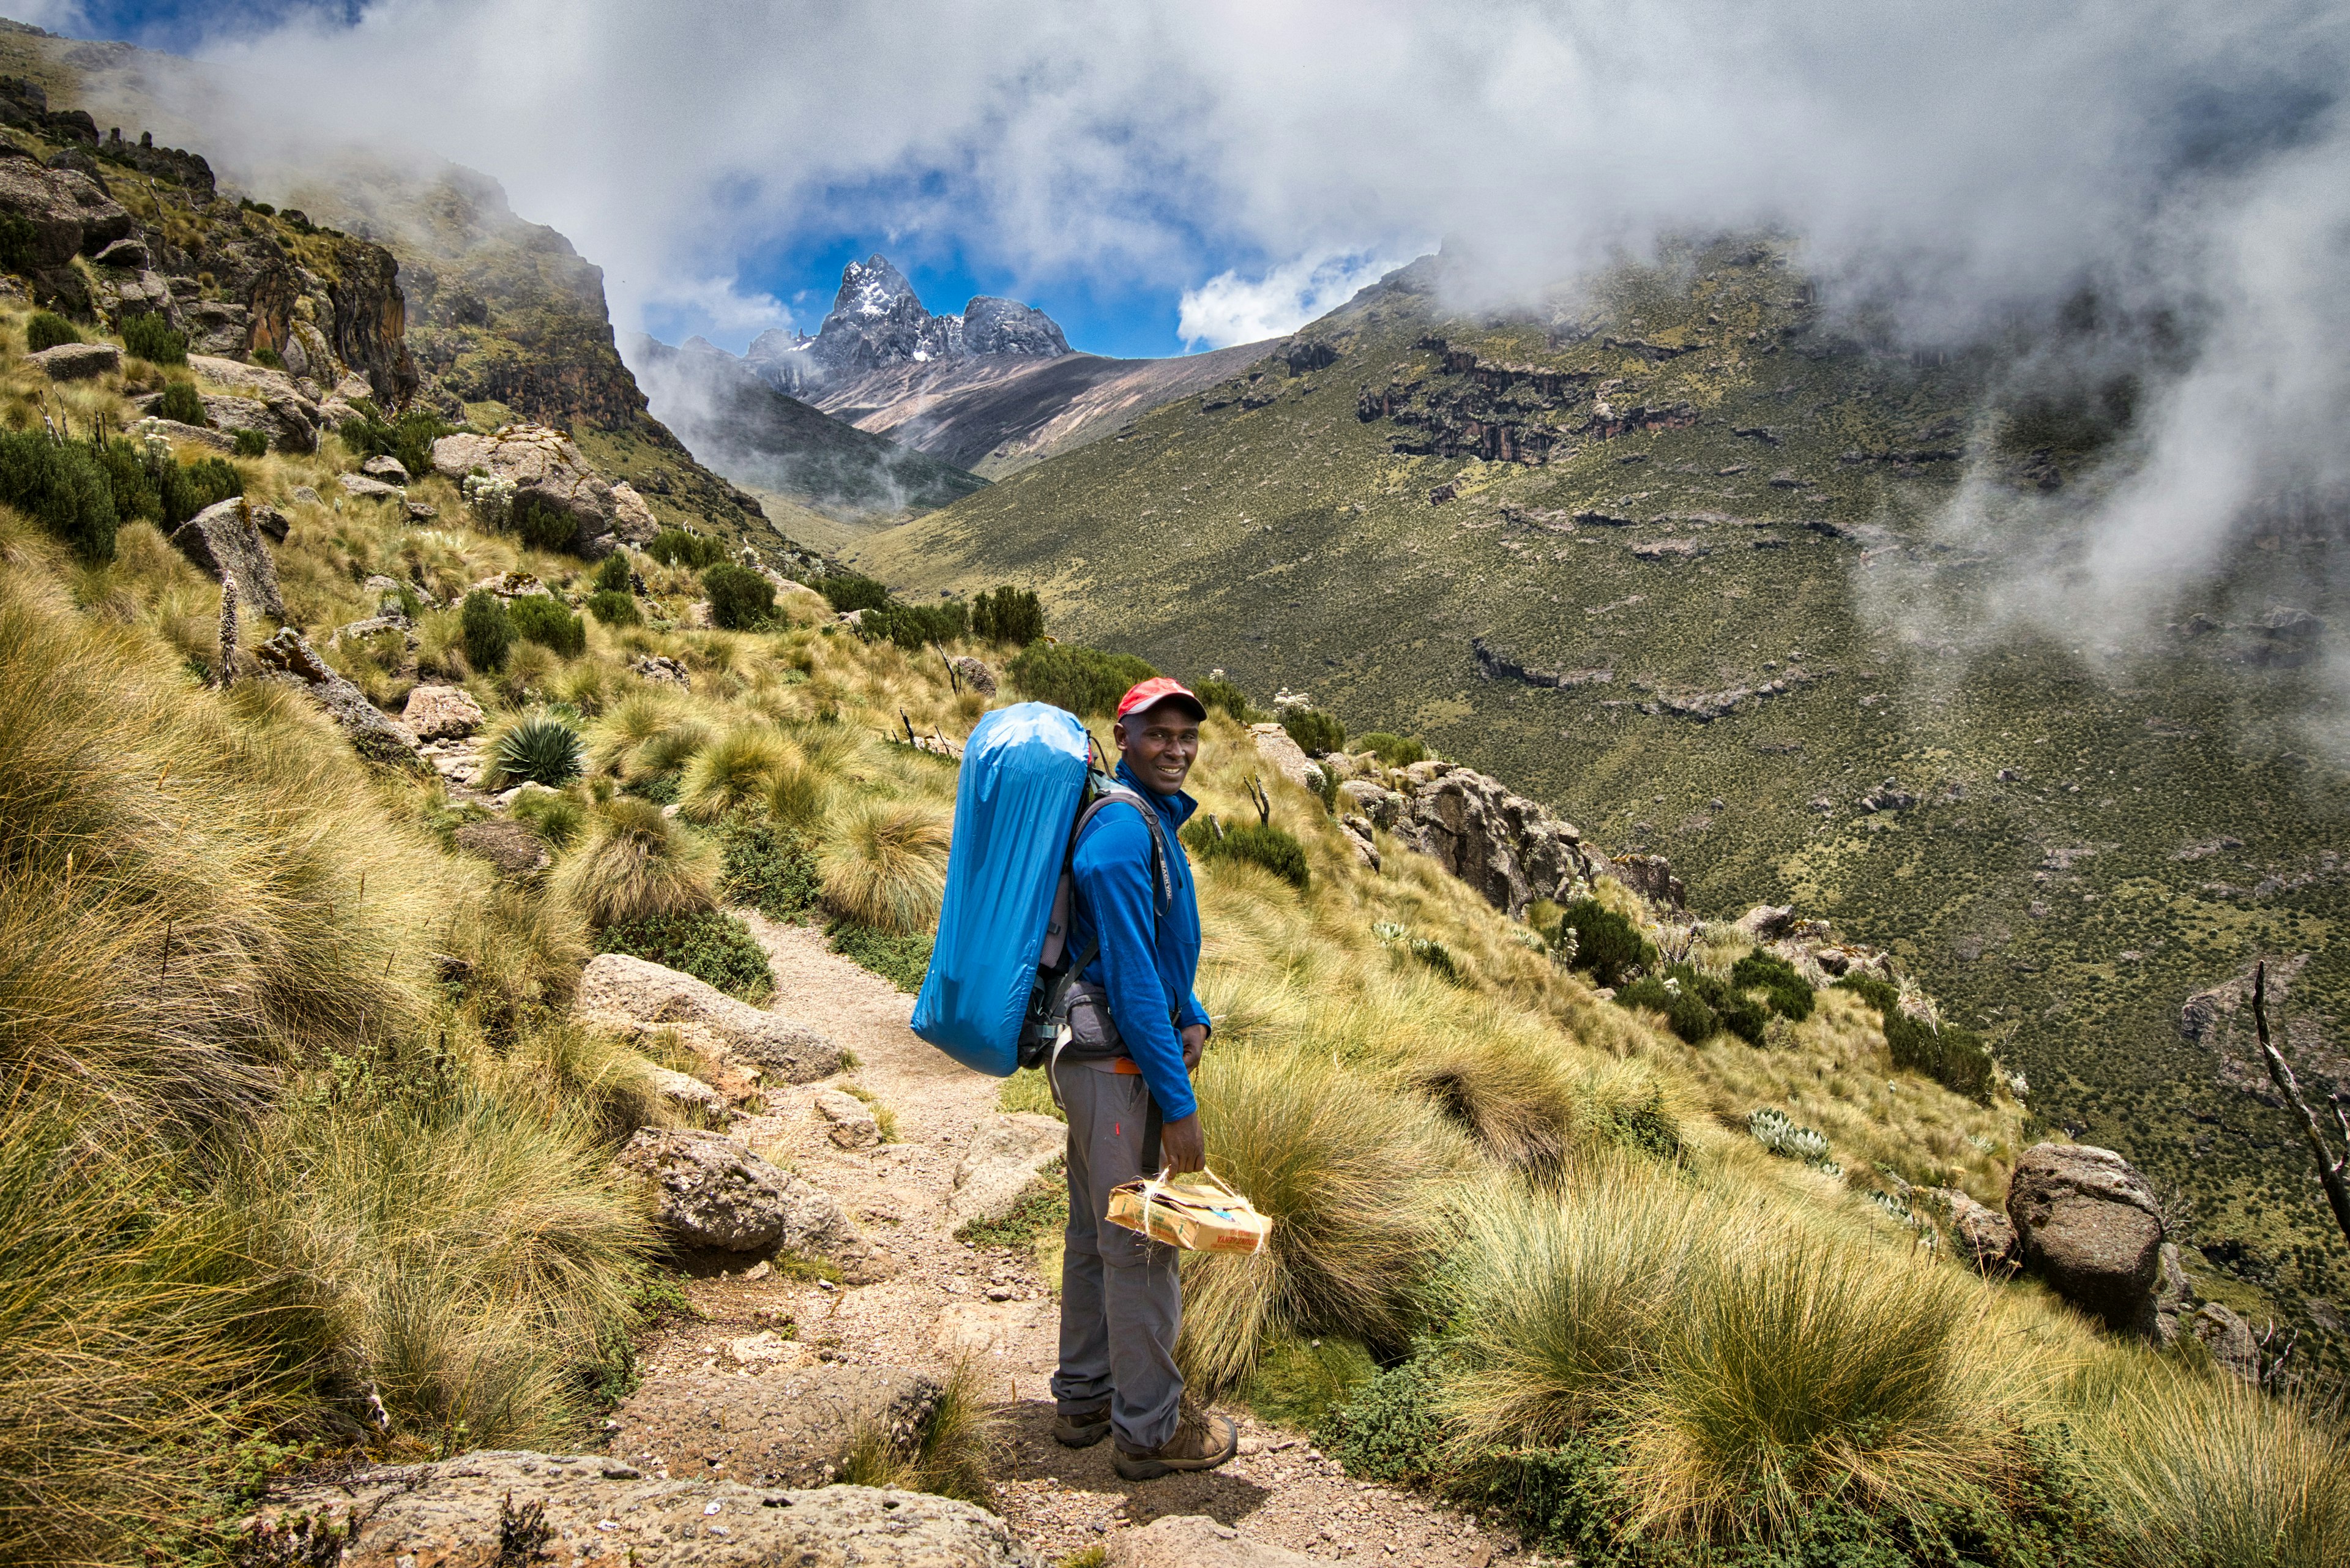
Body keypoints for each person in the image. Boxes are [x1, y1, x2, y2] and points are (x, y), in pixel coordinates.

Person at [1046, 676, 1238, 1480]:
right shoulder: (1125, 835)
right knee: (1143, 1245)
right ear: (1122, 738)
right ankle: (1150, 1430)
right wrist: (1180, 1103)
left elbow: (1155, 955)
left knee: (1096, 1235)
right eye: (1158, 734)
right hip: (1118, 1071)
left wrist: (1189, 1005)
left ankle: (1085, 1396)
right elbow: (1128, 982)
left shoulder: (1144, 821)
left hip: (1096, 1065)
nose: (1177, 749)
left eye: (1186, 736)